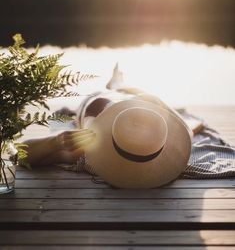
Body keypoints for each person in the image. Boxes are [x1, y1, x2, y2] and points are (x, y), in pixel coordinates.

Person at [24, 64, 195, 188]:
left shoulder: (87, 149)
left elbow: (21, 153)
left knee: (151, 100)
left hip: (102, 106)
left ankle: (118, 86)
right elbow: (18, 154)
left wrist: (56, 141)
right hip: (111, 107)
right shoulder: (88, 148)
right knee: (154, 101)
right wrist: (56, 141)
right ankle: (119, 86)